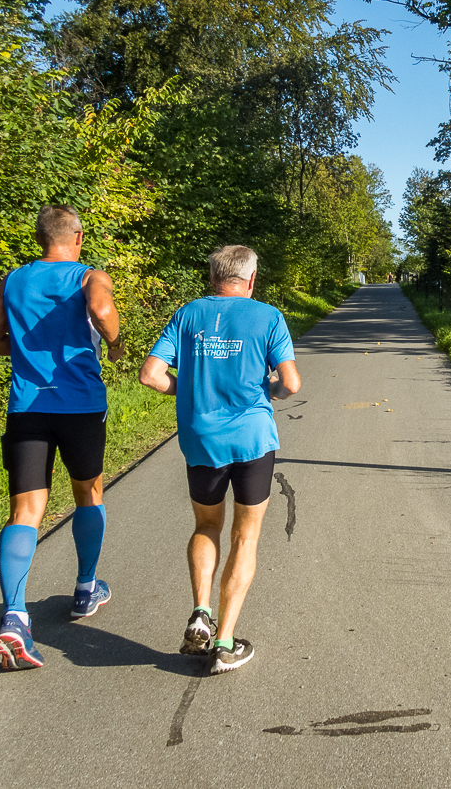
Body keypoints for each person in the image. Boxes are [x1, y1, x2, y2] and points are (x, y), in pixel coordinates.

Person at [139, 245, 300, 674]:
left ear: (213, 279)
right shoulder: (268, 317)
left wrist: (187, 390)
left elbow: (150, 374)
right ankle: (226, 642)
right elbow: (291, 383)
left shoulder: (188, 314)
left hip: (201, 440)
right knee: (245, 537)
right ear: (250, 280)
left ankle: (199, 612)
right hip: (252, 441)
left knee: (206, 524)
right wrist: (269, 392)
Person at [0, 205, 124, 670]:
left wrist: (25, 352)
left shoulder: (13, 279)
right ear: (77, 237)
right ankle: (85, 588)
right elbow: (102, 311)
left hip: (27, 406)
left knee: (24, 510)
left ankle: (16, 617)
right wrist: (116, 344)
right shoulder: (88, 277)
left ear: (41, 238)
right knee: (88, 492)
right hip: (81, 406)